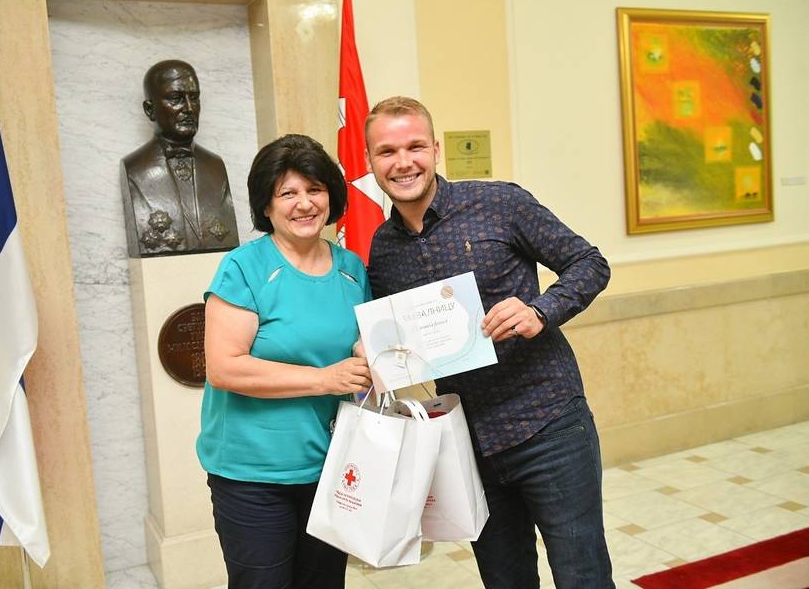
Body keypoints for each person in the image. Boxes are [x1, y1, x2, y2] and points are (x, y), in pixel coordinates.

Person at [364, 96, 614, 588]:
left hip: (548, 425)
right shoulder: (383, 249)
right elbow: (396, 339)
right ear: (370, 161)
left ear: (436, 150)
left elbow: (590, 263)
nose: (403, 162)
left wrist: (540, 311)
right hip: (469, 444)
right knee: (505, 581)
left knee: (582, 577)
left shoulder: (500, 203)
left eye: (415, 146)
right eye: (387, 152)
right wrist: (371, 349)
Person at [197, 134, 372, 588]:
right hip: (252, 475)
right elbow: (224, 367)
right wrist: (324, 379)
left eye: (315, 189)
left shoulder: (352, 268)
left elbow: (357, 345)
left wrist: (368, 353)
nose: (304, 204)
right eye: (287, 193)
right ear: (267, 205)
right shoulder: (244, 267)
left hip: (329, 467)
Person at [121, 59, 239, 257]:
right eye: (176, 98)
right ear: (150, 110)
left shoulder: (216, 166)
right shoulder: (135, 169)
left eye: (194, 97)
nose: (189, 108)